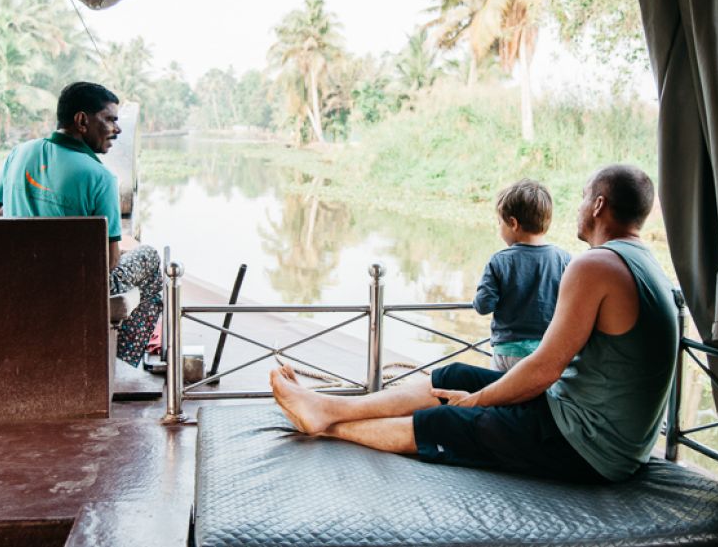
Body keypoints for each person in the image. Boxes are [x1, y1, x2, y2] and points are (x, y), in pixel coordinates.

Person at [270, 164, 678, 483]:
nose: (578, 205)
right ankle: (326, 406)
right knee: (454, 374)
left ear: (599, 205)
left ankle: (328, 427)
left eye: (583, 196)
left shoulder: (596, 264)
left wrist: (476, 402)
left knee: (447, 418)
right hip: (589, 423)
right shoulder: (644, 263)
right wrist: (476, 392)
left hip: (588, 447)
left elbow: (543, 368)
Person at [0, 82, 162, 367]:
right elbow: (109, 264)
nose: (118, 129)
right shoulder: (100, 178)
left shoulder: (19, 153)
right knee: (149, 258)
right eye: (110, 119)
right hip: (73, 290)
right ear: (82, 121)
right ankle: (121, 363)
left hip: (17, 281)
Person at [474, 178, 571, 371]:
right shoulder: (565, 260)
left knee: (501, 397)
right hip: (547, 352)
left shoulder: (499, 261)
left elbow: (484, 306)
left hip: (508, 353)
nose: (499, 228)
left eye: (499, 222)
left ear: (513, 223)